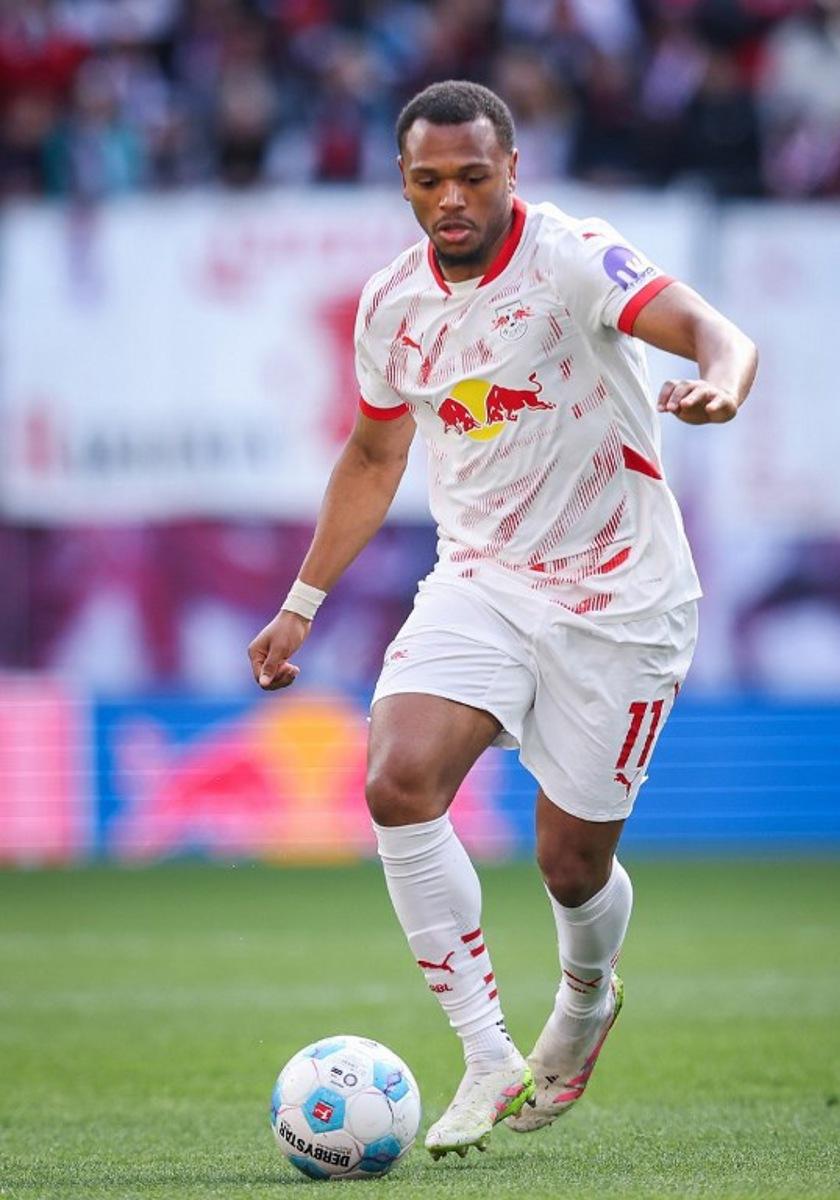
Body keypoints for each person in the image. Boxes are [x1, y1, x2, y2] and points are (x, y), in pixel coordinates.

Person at [248, 79, 757, 1160]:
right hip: (479, 579)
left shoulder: (571, 256)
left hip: (620, 595)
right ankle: (485, 1053)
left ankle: (582, 1000)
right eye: (428, 180)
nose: (450, 199)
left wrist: (720, 380)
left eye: (472, 176)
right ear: (401, 181)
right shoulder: (391, 305)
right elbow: (377, 453)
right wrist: (300, 605)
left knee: (568, 864)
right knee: (394, 779)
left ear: (511, 170)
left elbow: (712, 331)